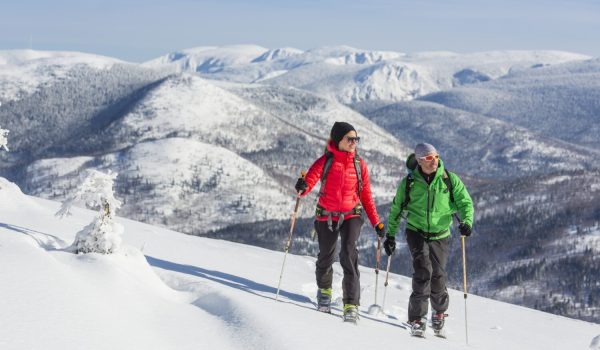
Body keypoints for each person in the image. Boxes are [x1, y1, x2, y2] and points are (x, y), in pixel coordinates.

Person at [295, 121, 385, 323]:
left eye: (356, 139)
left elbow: (366, 196)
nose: (354, 142)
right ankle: (324, 291)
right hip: (326, 215)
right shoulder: (325, 161)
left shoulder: (359, 165)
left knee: (348, 253)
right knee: (326, 256)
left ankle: (351, 303)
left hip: (352, 215)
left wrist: (376, 223)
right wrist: (302, 186)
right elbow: (309, 182)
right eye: (350, 139)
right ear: (338, 140)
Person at [383, 143, 474, 336]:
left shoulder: (449, 180)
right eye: (429, 158)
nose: (435, 161)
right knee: (423, 270)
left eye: (436, 156)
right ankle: (417, 318)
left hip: (440, 234)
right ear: (420, 160)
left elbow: (465, 202)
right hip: (416, 231)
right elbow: (397, 209)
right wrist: (390, 235)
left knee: (438, 275)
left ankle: (439, 313)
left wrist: (467, 222)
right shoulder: (409, 183)